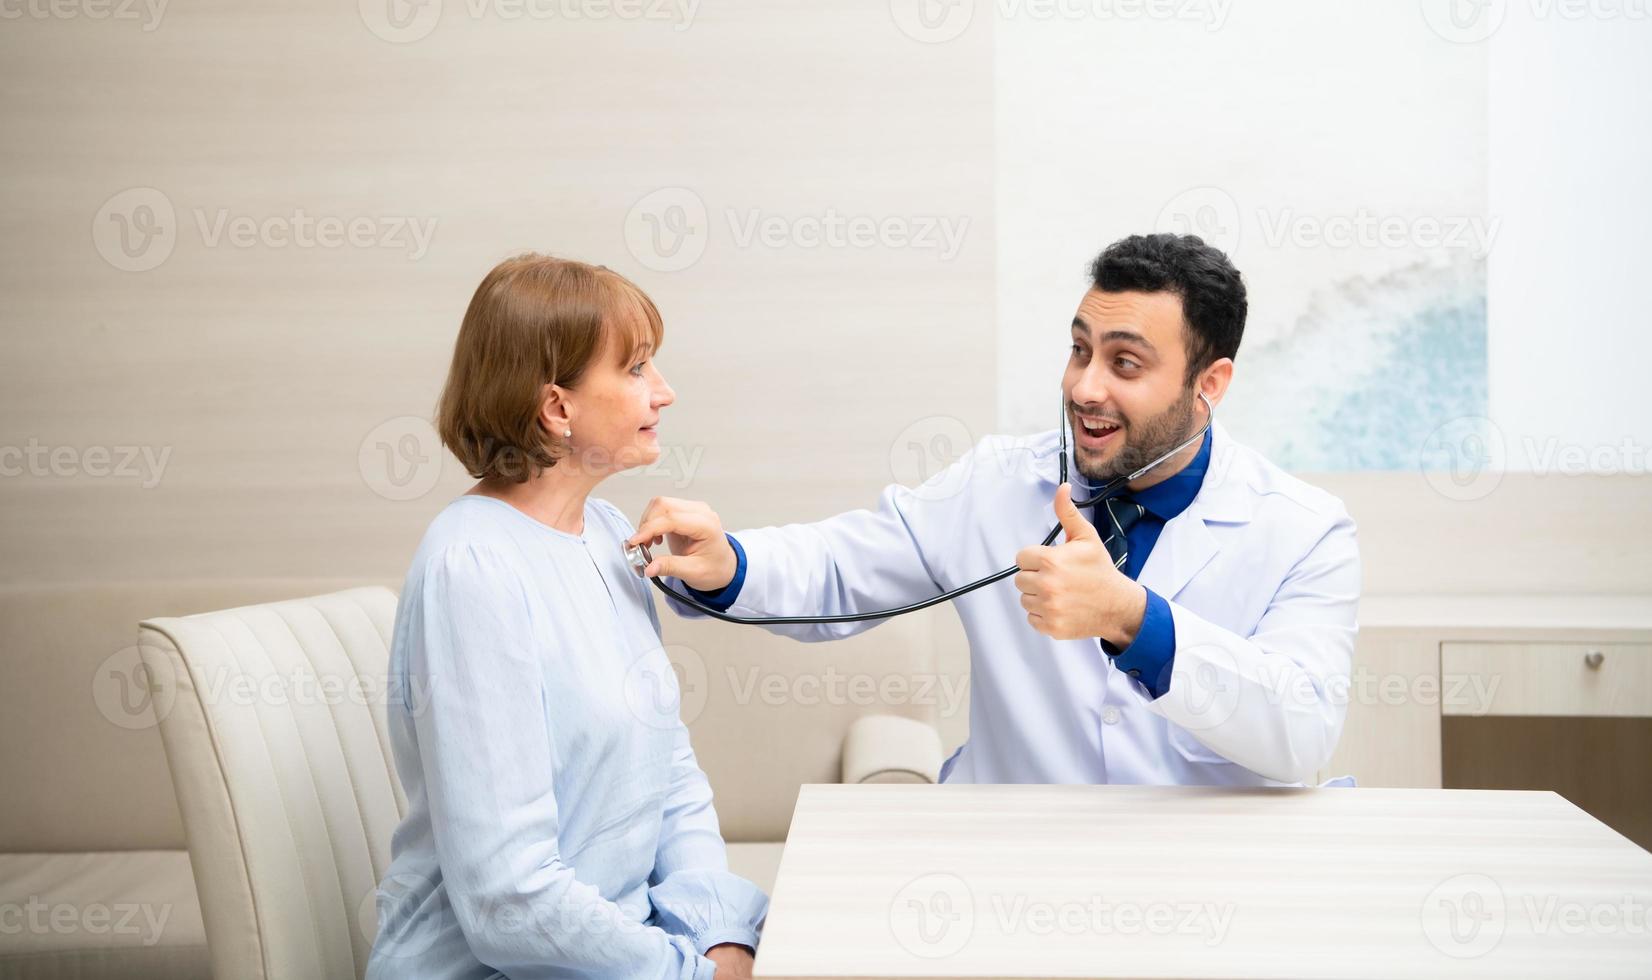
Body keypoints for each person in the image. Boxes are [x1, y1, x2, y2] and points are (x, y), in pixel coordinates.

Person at [627, 233, 1361, 788]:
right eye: (1080, 351)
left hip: (1206, 887)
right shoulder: (998, 482)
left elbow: (1302, 729)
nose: (1084, 387)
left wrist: (1134, 620)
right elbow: (844, 563)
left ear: (1211, 383)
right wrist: (732, 563)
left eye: (1125, 363)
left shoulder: (1303, 531)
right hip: (1008, 868)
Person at [367, 254, 767, 980]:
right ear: (557, 408)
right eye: (639, 368)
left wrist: (719, 937)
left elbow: (669, 777)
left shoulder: (611, 534)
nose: (666, 392)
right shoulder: (474, 570)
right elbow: (509, 903)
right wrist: (692, 974)